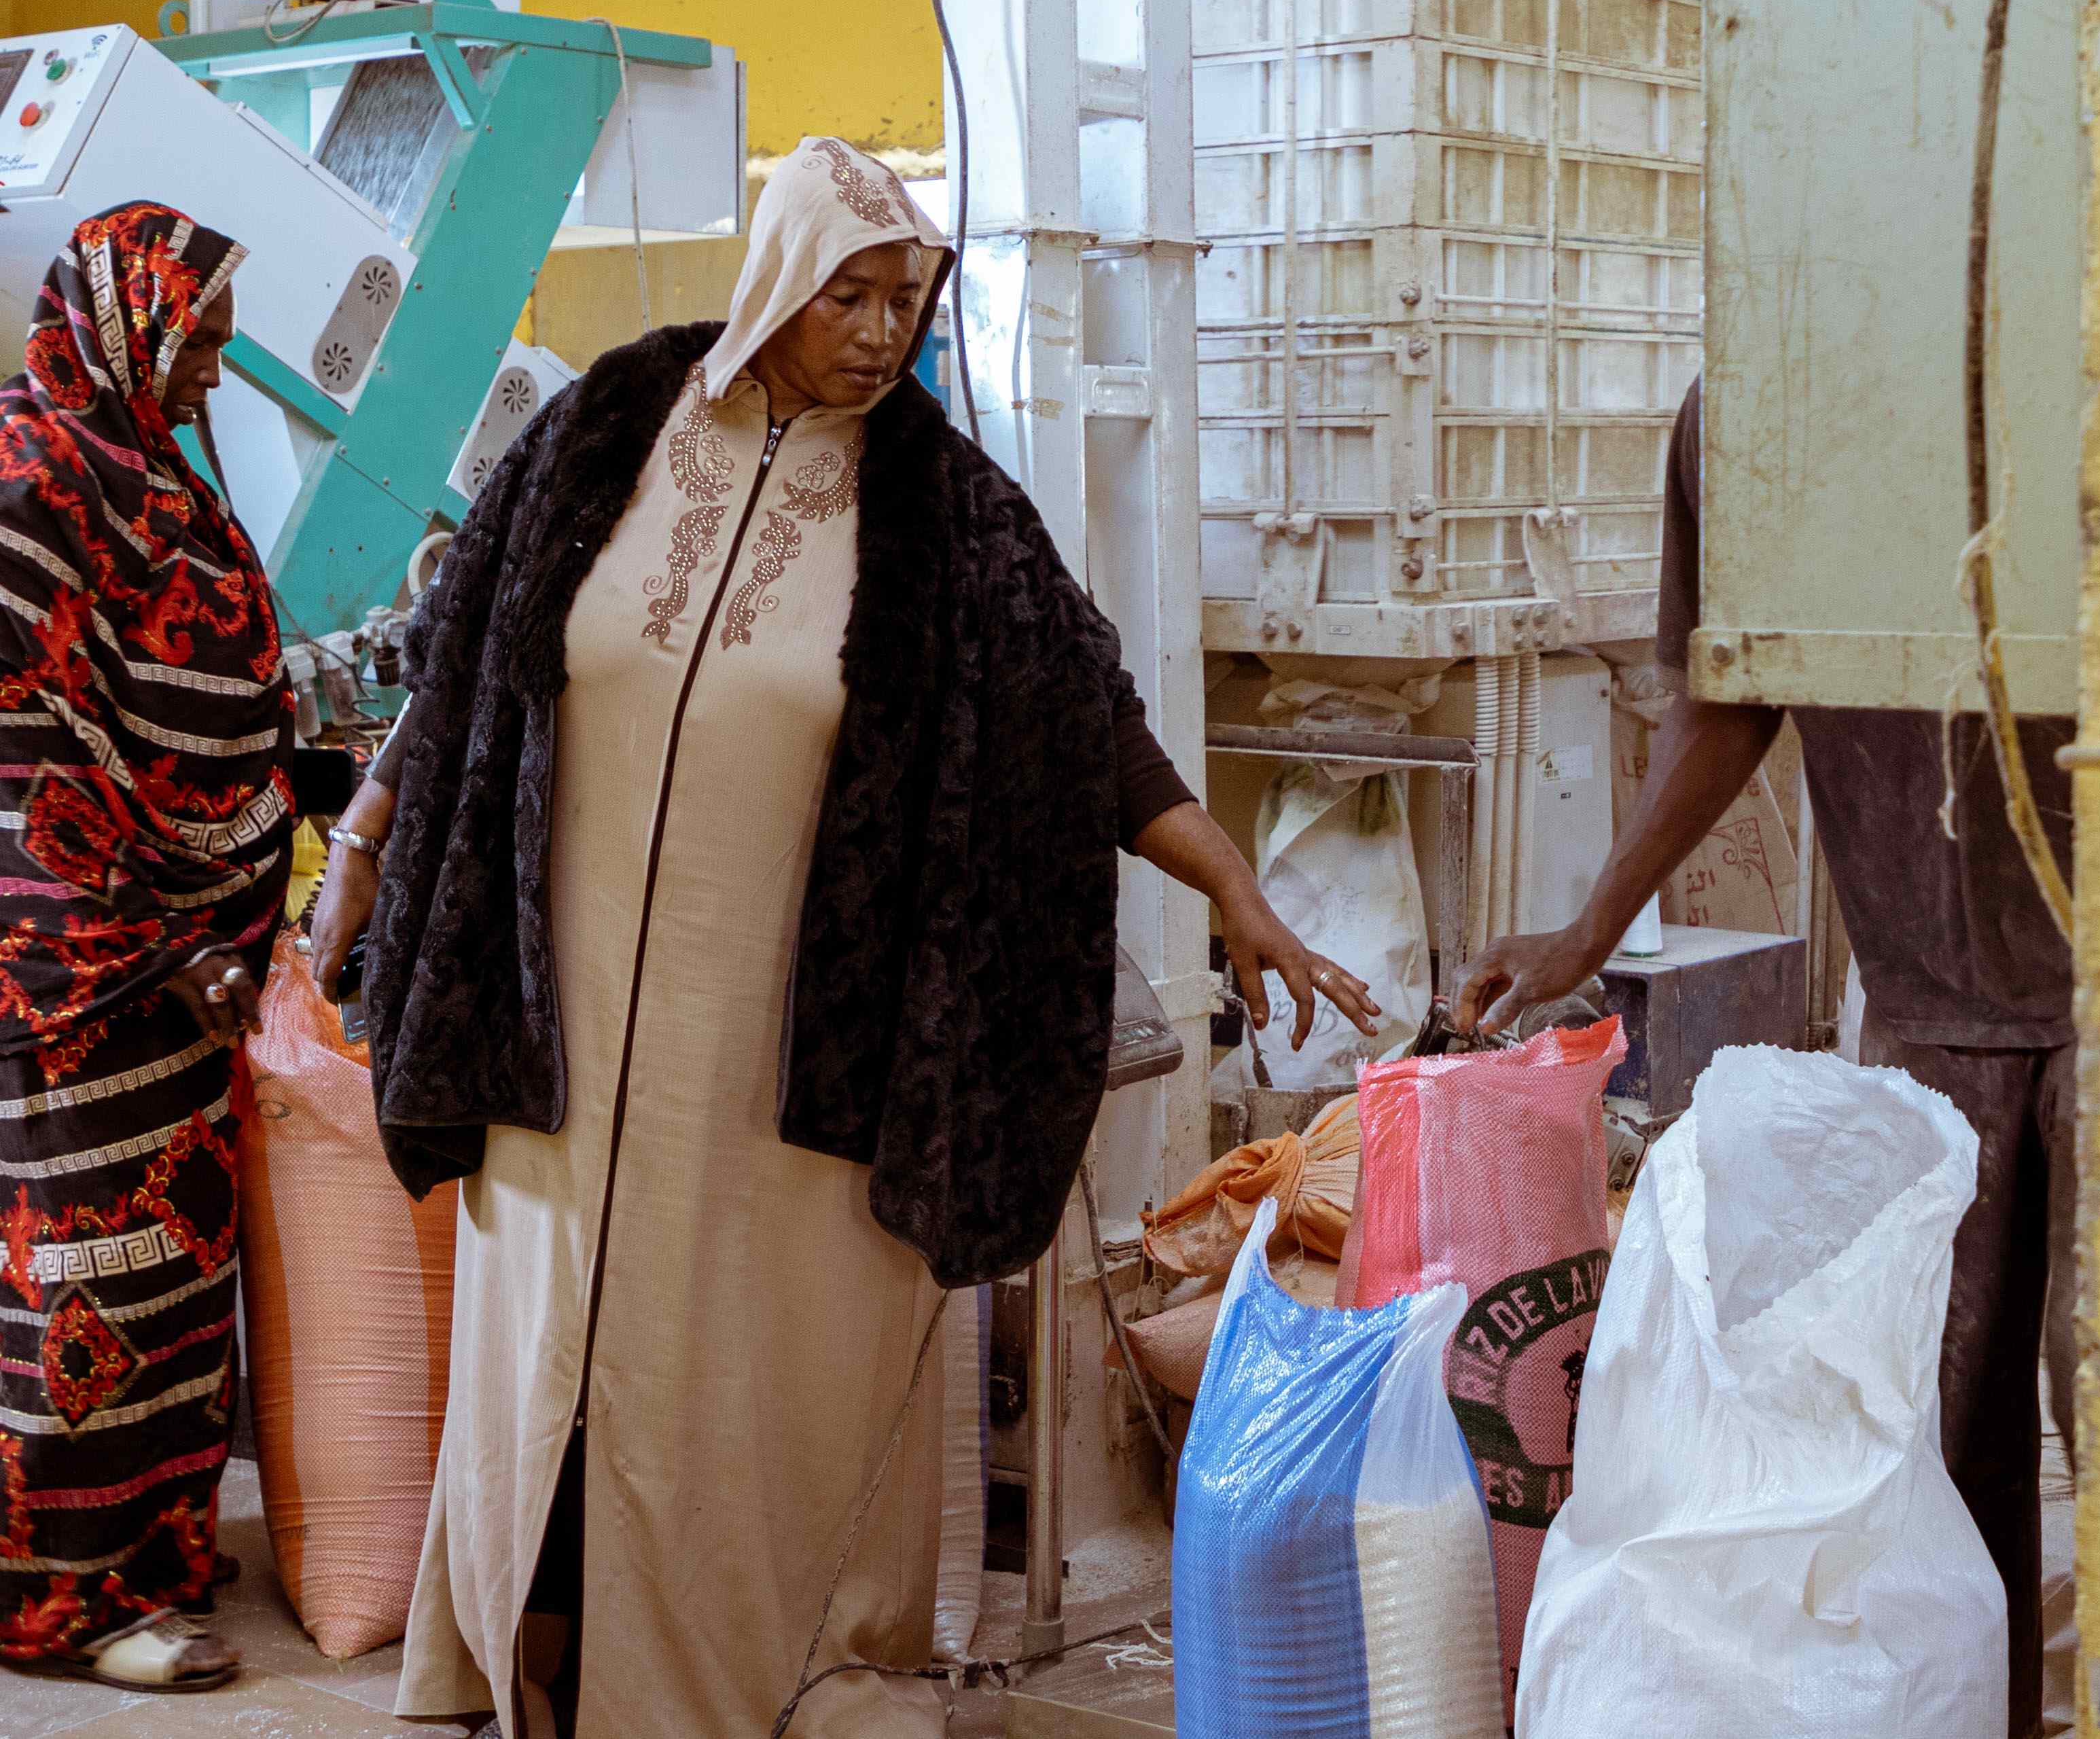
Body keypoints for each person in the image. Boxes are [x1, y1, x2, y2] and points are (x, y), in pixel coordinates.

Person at [299, 139, 1382, 1737]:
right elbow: (472, 654)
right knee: (548, 1343)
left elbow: (1083, 713)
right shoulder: (609, 425)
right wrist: (374, 844)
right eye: (850, 293)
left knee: (742, 1373)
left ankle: (765, 1668)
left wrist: (1232, 884)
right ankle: (523, 1645)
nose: (883, 330)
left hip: (793, 1044)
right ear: (774, 287)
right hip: (566, 1025)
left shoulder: (942, 507)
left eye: (907, 298)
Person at [1459, 377, 2074, 1738]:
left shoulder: (2093, 339)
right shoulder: (1750, 397)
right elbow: (1730, 693)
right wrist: (1587, 927)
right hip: (1926, 997)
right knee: (1912, 1459)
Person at [0, 205, 287, 1695]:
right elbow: (16, 741)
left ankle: (152, 1550)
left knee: (173, 1285)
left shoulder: (146, 466)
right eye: (203, 339)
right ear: (124, 319)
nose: (217, 375)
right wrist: (150, 932)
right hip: (87, 974)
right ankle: (61, 1601)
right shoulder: (30, 475)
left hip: (190, 962)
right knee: (84, 1277)